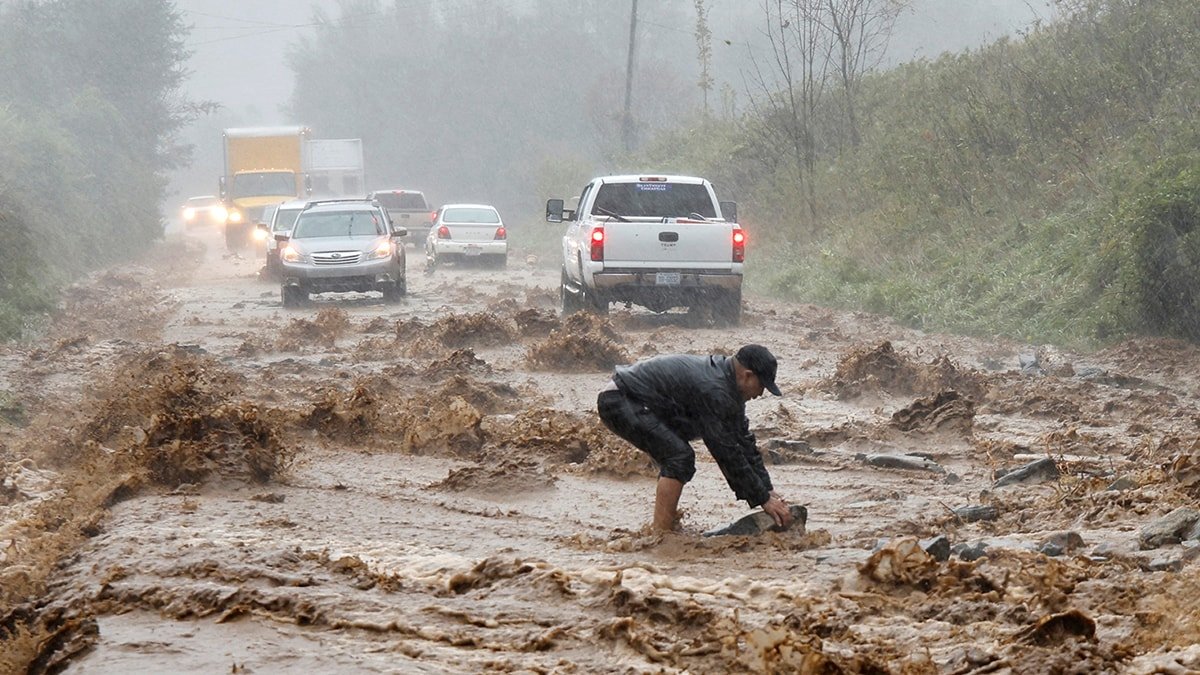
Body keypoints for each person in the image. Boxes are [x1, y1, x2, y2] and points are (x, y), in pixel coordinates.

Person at [597, 344, 794, 532]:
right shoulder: (714, 390)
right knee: (679, 458)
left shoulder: (730, 388)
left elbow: (744, 443)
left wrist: (767, 490)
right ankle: (661, 535)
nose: (761, 393)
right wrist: (762, 499)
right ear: (747, 375)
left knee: (677, 456)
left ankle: (664, 528)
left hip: (642, 402)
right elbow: (726, 452)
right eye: (762, 386)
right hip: (619, 400)